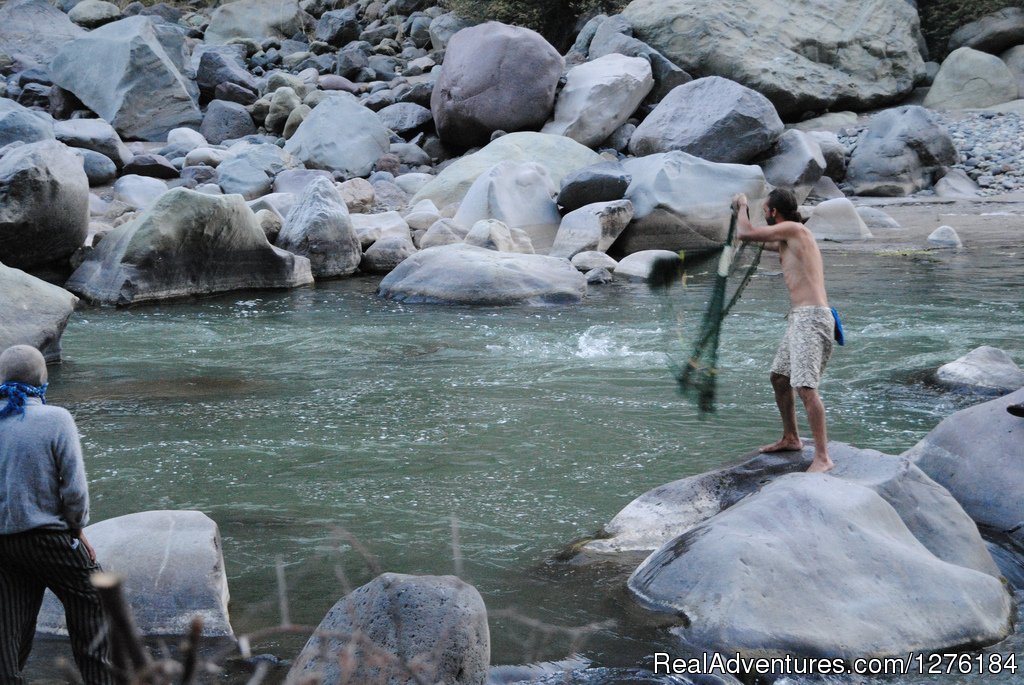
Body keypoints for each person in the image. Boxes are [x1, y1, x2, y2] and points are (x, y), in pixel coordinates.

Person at [0, 345, 112, 685]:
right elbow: (75, 491)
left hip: (3, 545)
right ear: (43, 380)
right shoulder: (56, 419)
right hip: (50, 540)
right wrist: (77, 530)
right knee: (93, 600)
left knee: (8, 629)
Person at [732, 189, 836, 473]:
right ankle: (791, 438)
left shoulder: (794, 229)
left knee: (805, 387)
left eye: (764, 210)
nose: (763, 214)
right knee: (780, 378)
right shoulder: (787, 238)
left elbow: (746, 233)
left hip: (812, 318)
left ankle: (823, 458)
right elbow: (754, 240)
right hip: (800, 318)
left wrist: (742, 205)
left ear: (772, 212)